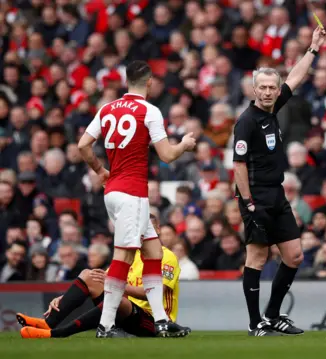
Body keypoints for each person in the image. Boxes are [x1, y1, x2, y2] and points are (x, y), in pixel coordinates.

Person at [77, 60, 195, 338]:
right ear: (150, 81)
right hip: (133, 193)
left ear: (126, 80)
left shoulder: (107, 109)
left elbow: (83, 145)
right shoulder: (149, 111)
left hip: (113, 191)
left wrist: (100, 170)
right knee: (124, 257)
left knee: (153, 252)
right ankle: (106, 325)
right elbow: (166, 155)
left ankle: (162, 321)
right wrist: (185, 145)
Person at [232, 26, 326, 337]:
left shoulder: (273, 108)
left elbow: (295, 78)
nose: (270, 91)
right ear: (254, 90)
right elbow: (238, 165)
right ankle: (254, 321)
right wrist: (248, 203)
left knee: (295, 255)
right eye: (264, 87)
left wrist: (312, 49)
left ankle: (272, 315)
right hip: (255, 196)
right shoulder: (246, 122)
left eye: (273, 87)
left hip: (277, 193)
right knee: (257, 256)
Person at [17, 214, 185, 338]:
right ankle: (48, 322)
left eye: (146, 229)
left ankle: (58, 333)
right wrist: (63, 298)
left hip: (154, 322)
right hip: (126, 314)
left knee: (118, 299)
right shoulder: (129, 255)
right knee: (88, 275)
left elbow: (155, 294)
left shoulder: (166, 256)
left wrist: (116, 285)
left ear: (156, 230)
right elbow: (100, 281)